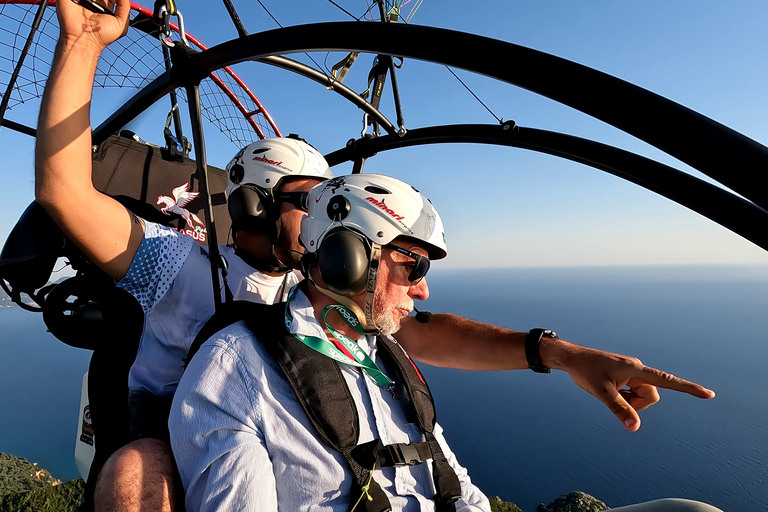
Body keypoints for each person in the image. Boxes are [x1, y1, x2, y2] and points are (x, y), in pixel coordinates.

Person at [36, 1, 716, 511]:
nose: (328, 216)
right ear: (252, 206)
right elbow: (66, 193)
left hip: (290, 421)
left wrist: (559, 352)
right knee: (136, 474)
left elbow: (424, 332)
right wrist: (84, 41)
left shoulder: (325, 294)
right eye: (310, 198)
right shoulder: (177, 266)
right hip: (180, 435)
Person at [170, 174, 722, 512]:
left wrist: (566, 355)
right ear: (345, 259)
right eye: (412, 265)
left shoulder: (381, 353)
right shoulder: (236, 370)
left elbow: (452, 481)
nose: (424, 286)